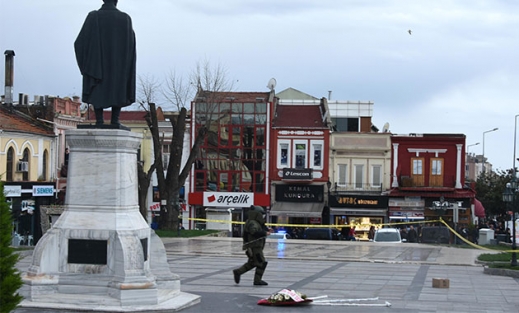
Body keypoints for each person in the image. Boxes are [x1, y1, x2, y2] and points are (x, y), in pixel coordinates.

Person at [74, 0, 136, 127]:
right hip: (119, 69)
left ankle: (99, 120)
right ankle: (115, 119)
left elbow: (79, 43)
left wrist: (87, 66)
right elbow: (131, 49)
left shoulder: (93, 17)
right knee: (118, 87)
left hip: (96, 67)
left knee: (97, 86)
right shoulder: (125, 19)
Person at [233, 205, 271, 286]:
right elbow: (254, 232)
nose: (263, 216)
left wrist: (267, 230)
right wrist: (264, 233)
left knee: (253, 262)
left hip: (256, 246)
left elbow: (261, 228)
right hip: (254, 247)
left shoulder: (256, 222)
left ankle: (238, 272)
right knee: (261, 262)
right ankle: (257, 280)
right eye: (261, 214)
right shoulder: (252, 223)